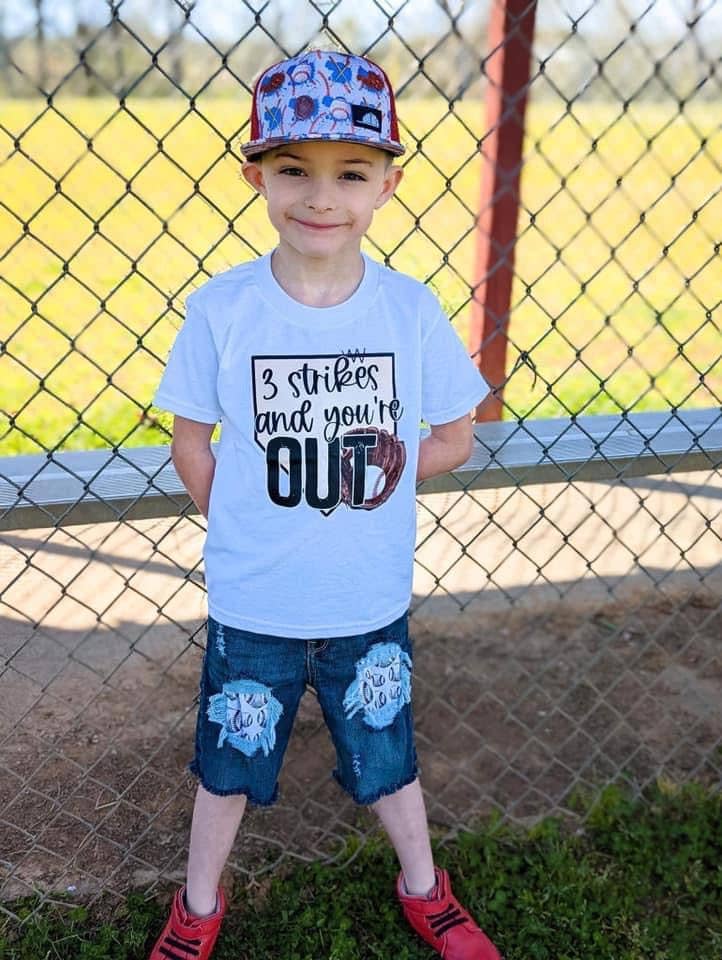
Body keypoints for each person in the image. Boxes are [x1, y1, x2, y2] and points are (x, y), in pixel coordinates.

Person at [148, 48, 501, 960]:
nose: (320, 196)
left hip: (363, 601)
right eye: (293, 169)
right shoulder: (223, 310)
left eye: (350, 172)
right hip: (255, 604)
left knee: (387, 759)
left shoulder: (407, 311)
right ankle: (198, 904)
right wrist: (251, 521)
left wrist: (366, 487)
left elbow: (456, 436)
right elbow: (191, 442)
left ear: (387, 184)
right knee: (228, 766)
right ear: (256, 177)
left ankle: (424, 887)